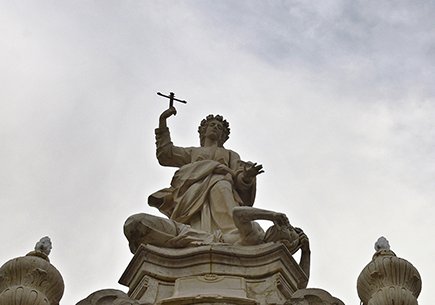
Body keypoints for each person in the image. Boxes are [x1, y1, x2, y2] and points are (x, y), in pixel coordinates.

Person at [124, 108, 308, 271]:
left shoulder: (230, 154)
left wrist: (247, 176)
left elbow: (239, 178)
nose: (215, 128)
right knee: (195, 219)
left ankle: (229, 234)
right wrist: (163, 122)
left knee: (222, 188)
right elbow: (166, 155)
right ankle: (203, 236)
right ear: (203, 131)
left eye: (220, 128)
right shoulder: (193, 152)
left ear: (224, 136)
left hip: (222, 187)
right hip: (192, 193)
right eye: (212, 125)